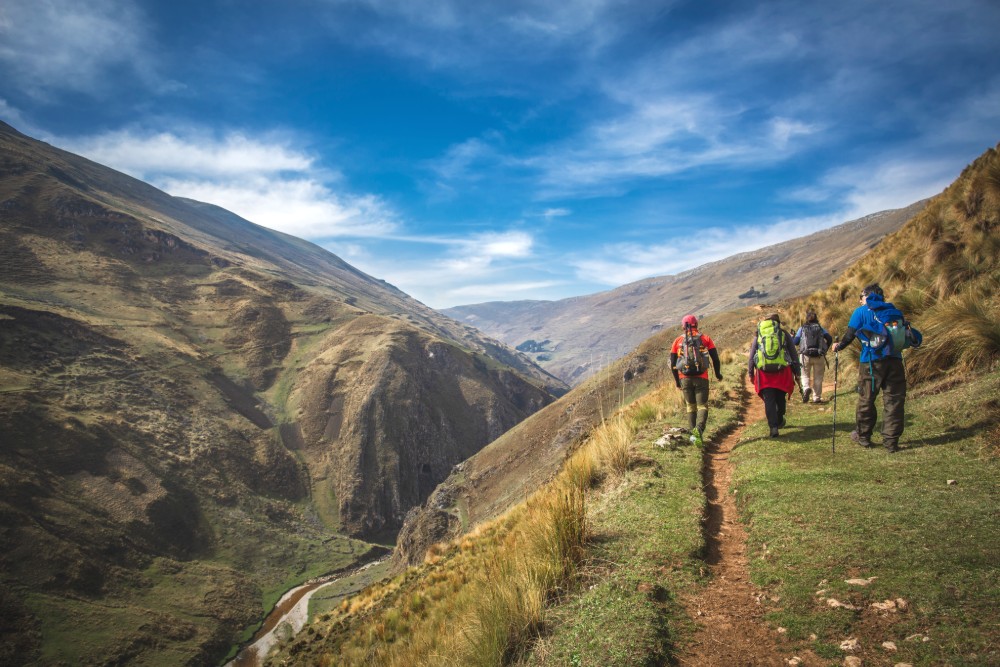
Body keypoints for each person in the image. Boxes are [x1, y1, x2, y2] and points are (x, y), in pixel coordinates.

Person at [831, 283, 922, 453]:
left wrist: (839, 346)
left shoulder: (861, 312)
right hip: (895, 361)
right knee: (894, 400)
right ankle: (891, 441)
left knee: (867, 398)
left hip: (871, 362)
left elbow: (850, 334)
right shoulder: (894, 311)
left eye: (861, 296)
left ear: (868, 296)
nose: (860, 300)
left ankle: (863, 436)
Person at [670, 315, 723, 444]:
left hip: (685, 378)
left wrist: (677, 382)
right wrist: (718, 374)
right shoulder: (705, 338)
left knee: (690, 407)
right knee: (702, 406)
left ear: (683, 326)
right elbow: (715, 359)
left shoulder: (677, 341)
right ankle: (698, 432)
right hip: (702, 377)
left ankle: (694, 436)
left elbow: (673, 364)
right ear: (696, 324)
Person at [748, 313, 801, 438]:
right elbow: (793, 354)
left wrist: (751, 373)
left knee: (769, 400)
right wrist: (797, 372)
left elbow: (751, 356)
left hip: (764, 372)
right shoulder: (784, 334)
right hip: (782, 371)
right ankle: (779, 417)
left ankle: (773, 428)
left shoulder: (759, 335)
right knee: (780, 397)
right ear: (778, 322)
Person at [792, 311, 833, 403]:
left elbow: (795, 342)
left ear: (807, 319)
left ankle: (806, 388)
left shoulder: (802, 328)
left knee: (804, 375)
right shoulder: (820, 328)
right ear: (816, 319)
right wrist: (824, 349)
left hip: (805, 355)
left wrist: (793, 337)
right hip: (819, 355)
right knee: (818, 377)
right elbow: (829, 338)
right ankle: (816, 398)